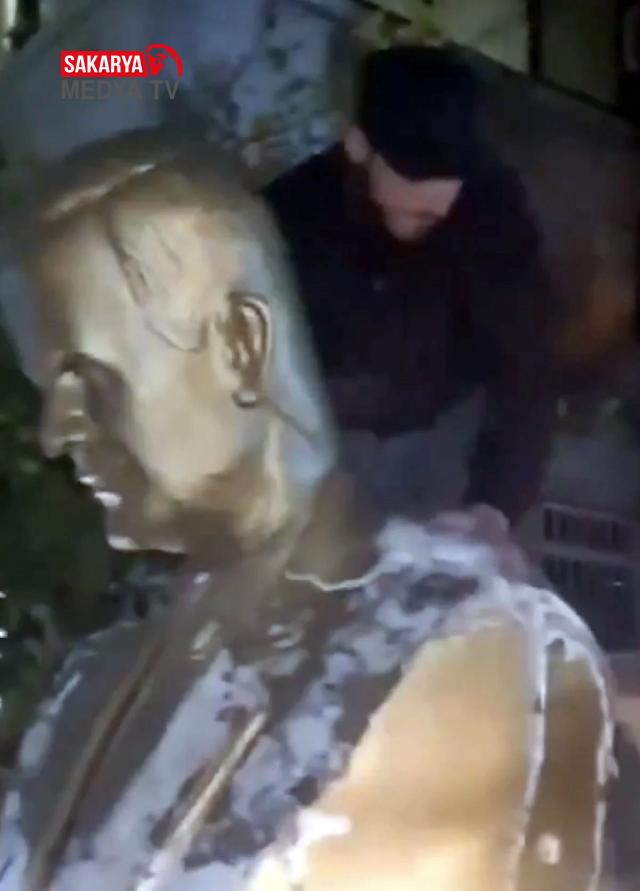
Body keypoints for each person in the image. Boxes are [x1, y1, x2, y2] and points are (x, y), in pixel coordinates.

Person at [0, 130, 612, 891]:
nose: (55, 433)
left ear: (241, 345)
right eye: (48, 391)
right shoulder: (90, 684)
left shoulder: (463, 646)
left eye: (89, 379)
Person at [263, 44, 557, 525]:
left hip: (448, 433)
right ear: (358, 146)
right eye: (415, 173)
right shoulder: (291, 216)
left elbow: (526, 369)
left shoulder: (494, 214)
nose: (438, 204)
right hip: (314, 435)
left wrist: (495, 508)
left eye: (453, 177)